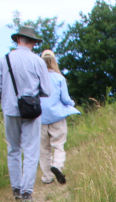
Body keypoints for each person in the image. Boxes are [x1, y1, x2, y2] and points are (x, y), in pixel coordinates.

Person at [0, 26, 53, 202]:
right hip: (31, 110)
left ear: (18, 39)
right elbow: (46, 90)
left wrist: (10, 93)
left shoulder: (4, 60)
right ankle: (27, 192)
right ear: (33, 42)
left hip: (10, 109)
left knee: (13, 149)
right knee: (31, 150)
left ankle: (16, 189)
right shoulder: (38, 61)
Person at [38, 50, 81, 185]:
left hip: (40, 117)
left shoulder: (36, 78)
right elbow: (65, 99)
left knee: (44, 148)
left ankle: (47, 177)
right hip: (57, 116)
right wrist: (72, 104)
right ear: (54, 61)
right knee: (58, 145)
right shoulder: (59, 78)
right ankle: (57, 165)